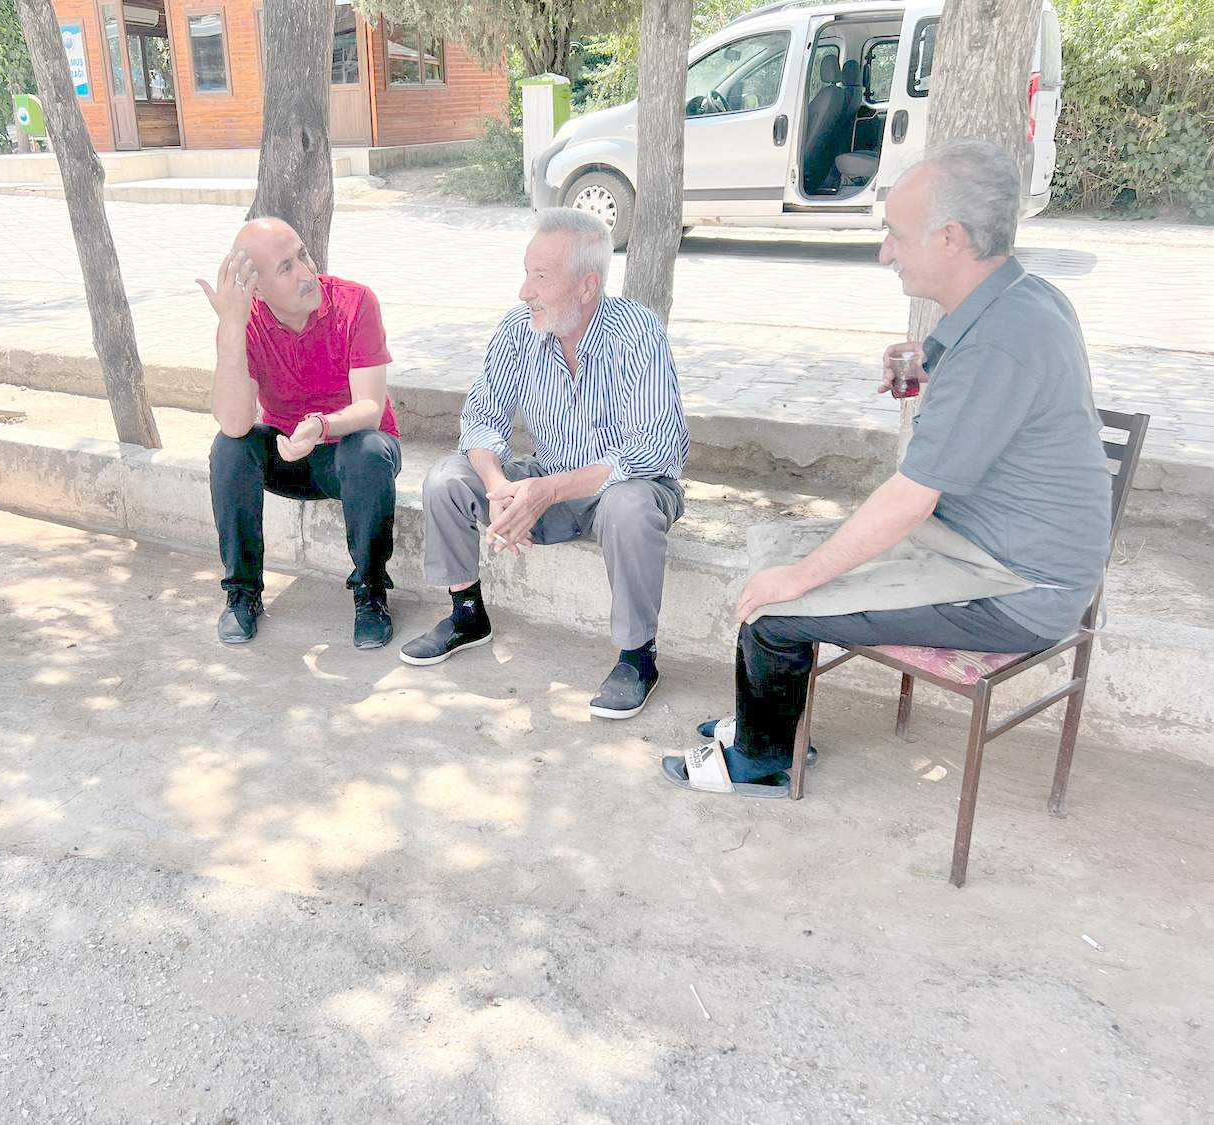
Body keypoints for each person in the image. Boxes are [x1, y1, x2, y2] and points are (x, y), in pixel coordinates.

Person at [665, 138, 1111, 797]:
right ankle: (771, 721)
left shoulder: (998, 345)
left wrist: (801, 579)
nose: (885, 252)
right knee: (780, 550)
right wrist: (928, 362)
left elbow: (910, 497)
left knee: (775, 606)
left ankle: (763, 761)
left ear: (951, 238)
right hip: (995, 545)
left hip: (1015, 587)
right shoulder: (1025, 297)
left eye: (896, 234)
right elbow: (985, 385)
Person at [401, 207, 689, 720]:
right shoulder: (519, 328)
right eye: (526, 273)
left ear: (586, 286)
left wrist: (549, 491)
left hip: (628, 487)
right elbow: (480, 418)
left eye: (540, 277)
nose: (524, 292)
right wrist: (498, 487)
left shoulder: (637, 332)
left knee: (627, 506)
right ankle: (467, 614)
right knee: (447, 478)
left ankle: (637, 657)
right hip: (548, 476)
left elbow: (657, 447)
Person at [198, 217, 401, 650]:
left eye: (303, 255)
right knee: (229, 448)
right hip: (290, 453)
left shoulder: (355, 301)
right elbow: (234, 423)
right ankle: (243, 593)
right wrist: (231, 327)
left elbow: (370, 408)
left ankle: (370, 591)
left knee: (366, 450)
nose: (307, 273)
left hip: (351, 453)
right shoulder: (245, 321)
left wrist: (322, 425)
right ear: (256, 288)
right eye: (286, 268)